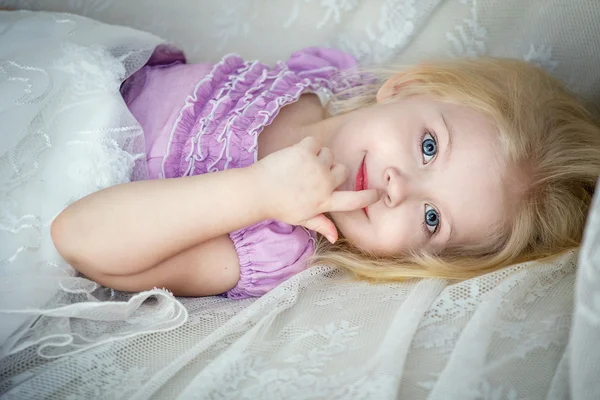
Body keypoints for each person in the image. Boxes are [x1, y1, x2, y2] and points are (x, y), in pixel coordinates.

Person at [50, 46, 600, 299]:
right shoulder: (315, 82)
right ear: (405, 88)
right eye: (428, 146)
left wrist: (257, 193)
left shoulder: (274, 242)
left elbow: (78, 239)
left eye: (432, 218)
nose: (398, 187)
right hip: (59, 80)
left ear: (414, 257)